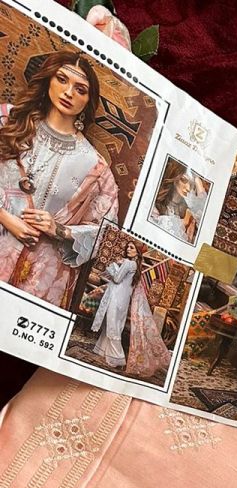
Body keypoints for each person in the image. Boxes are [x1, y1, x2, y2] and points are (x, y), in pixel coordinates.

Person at [0, 51, 119, 307]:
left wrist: (59, 229)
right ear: (48, 80)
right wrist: (6, 218)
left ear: (88, 101)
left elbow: (108, 236)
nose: (68, 92)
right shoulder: (8, 120)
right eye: (62, 79)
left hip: (40, 278)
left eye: (80, 89)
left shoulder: (96, 167)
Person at [90, 242, 139, 367]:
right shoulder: (134, 265)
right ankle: (103, 351)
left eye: (132, 247)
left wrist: (114, 265)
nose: (128, 249)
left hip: (116, 297)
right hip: (122, 298)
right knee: (112, 324)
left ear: (138, 251)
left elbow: (117, 279)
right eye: (128, 247)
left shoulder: (128, 263)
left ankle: (117, 358)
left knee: (113, 325)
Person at [149, 163, 207, 243]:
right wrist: (184, 222)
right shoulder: (155, 202)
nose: (188, 188)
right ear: (175, 177)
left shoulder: (190, 209)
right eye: (184, 180)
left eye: (191, 184)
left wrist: (198, 181)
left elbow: (206, 225)